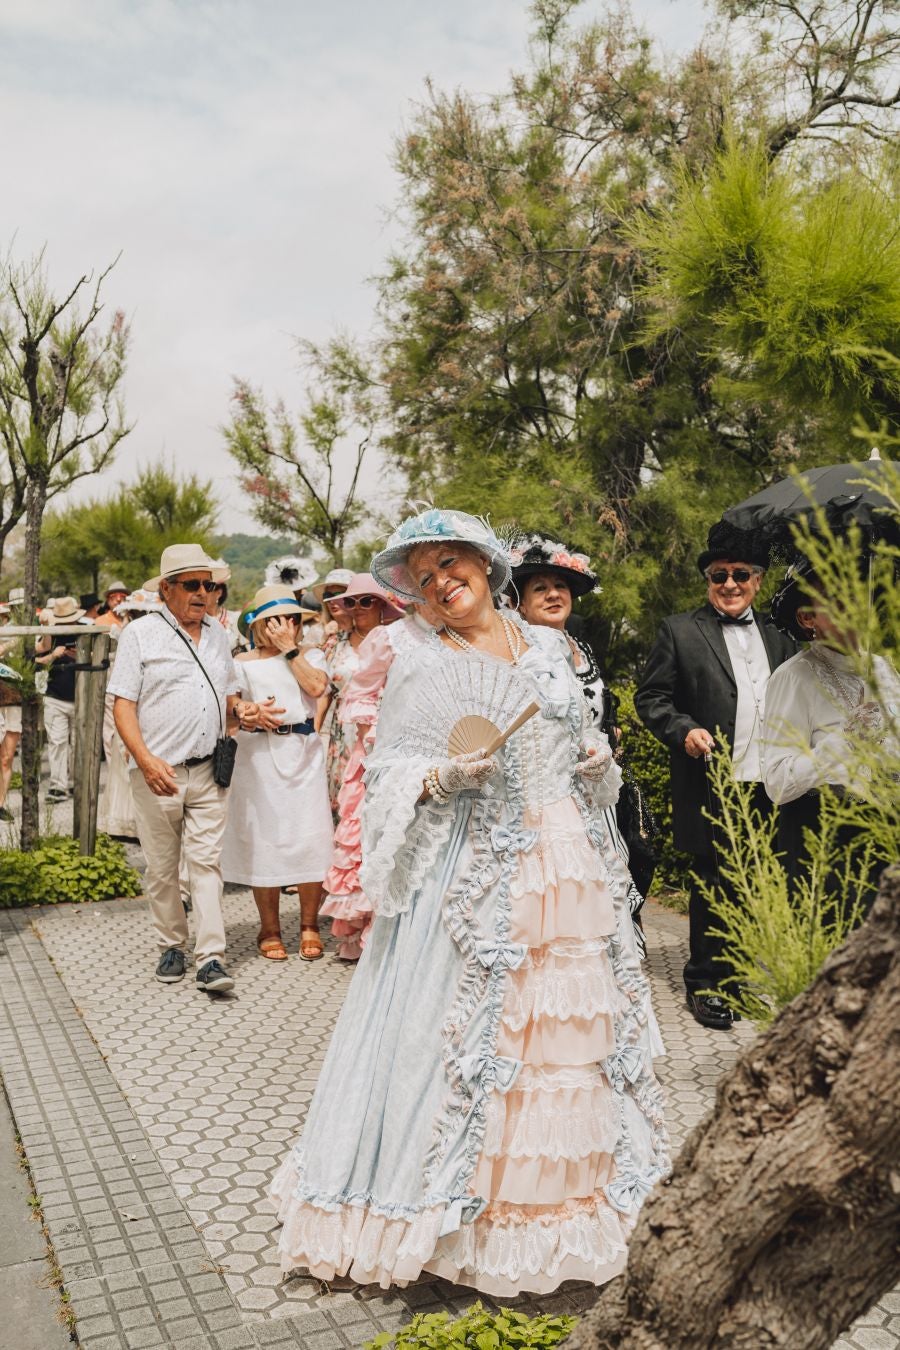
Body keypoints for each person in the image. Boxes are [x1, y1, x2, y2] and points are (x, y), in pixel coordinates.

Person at [271, 508, 668, 1295]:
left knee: (567, 1036)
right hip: (476, 867)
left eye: (452, 563)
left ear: (485, 565)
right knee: (472, 1038)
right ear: (415, 596)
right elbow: (388, 768)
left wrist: (595, 758)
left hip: (565, 856)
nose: (442, 582)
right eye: (424, 577)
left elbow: (584, 735)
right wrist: (440, 777)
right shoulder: (423, 660)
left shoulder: (552, 648)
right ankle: (459, 1216)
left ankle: (572, 1208)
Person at [635, 531, 795, 1030]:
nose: (730, 583)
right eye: (719, 575)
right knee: (715, 883)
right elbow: (652, 698)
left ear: (757, 581)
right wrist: (684, 730)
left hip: (774, 783)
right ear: (708, 581)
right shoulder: (679, 630)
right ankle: (705, 985)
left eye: (740, 574)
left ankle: (739, 977)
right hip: (715, 782)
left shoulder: (780, 635)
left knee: (756, 885)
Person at [109, 544, 260, 993]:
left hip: (209, 769)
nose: (203, 593)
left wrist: (245, 712)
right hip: (158, 772)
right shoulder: (140, 635)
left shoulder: (218, 635)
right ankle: (171, 944)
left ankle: (211, 957)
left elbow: (230, 698)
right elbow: (122, 705)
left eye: (209, 585)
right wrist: (145, 759)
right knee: (160, 867)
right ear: (167, 590)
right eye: (192, 585)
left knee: (206, 863)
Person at [507, 535, 653, 956]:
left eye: (561, 587)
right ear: (519, 603)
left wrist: (608, 738)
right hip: (548, 799)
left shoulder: (582, 647)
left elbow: (597, 711)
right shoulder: (518, 653)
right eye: (541, 588)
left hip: (599, 792)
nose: (554, 594)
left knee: (612, 884)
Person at [763, 563, 899, 899]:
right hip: (825, 848)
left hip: (887, 837)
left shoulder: (885, 669)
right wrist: (845, 742)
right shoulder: (793, 677)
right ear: (808, 618)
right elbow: (777, 783)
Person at [221, 586, 332, 962]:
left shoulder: (310, 655)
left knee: (309, 836)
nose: (285, 626)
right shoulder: (241, 662)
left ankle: (309, 924)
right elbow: (228, 708)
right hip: (258, 756)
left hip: (303, 753)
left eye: (292, 619)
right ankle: (268, 928)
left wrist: (290, 650)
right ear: (258, 625)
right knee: (263, 839)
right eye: (276, 620)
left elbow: (318, 687)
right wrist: (247, 710)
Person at [318, 606, 434, 960]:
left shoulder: (462, 632)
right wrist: (376, 747)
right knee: (378, 843)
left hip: (439, 756)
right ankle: (375, 938)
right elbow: (362, 691)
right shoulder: (390, 637)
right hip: (383, 756)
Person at [318, 574, 405, 820]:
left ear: (381, 605)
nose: (357, 608)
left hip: (380, 734)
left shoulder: (396, 643)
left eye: (366, 601)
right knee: (342, 804)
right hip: (341, 734)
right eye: (352, 602)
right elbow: (324, 692)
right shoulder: (335, 644)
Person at [98, 590, 162, 840]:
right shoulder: (129, 636)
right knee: (126, 755)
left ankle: (142, 820)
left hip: (149, 705)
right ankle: (129, 821)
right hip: (128, 702)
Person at [36, 596, 85, 802]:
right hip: (56, 696)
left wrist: (78, 656)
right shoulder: (50, 634)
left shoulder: (85, 631)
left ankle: (78, 783)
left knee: (80, 743)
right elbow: (36, 660)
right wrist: (55, 655)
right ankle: (58, 785)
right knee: (57, 743)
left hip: (82, 697)